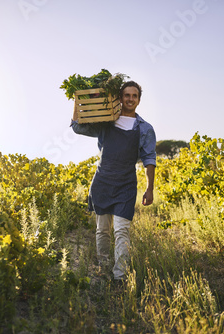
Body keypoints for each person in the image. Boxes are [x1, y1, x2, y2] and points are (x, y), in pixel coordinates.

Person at [70, 81, 156, 281]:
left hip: (126, 185)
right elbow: (77, 127)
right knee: (102, 231)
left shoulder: (145, 129)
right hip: (103, 182)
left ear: (139, 100)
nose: (130, 99)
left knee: (122, 230)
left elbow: (149, 160)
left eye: (134, 96)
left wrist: (150, 189)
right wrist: (77, 100)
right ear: (120, 98)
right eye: (126, 95)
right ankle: (104, 267)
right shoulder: (106, 122)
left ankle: (120, 276)